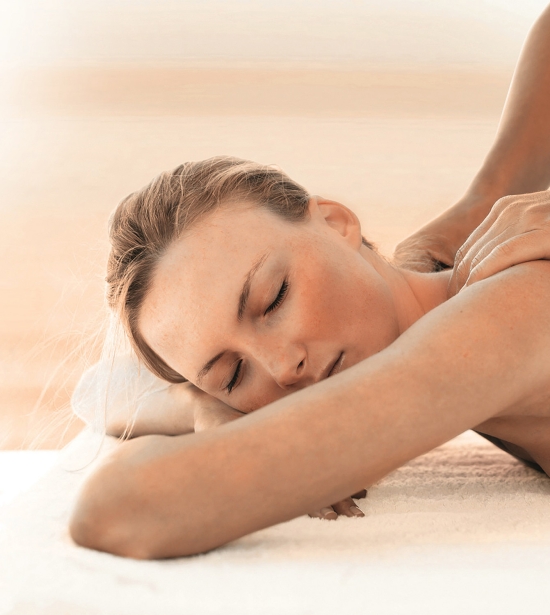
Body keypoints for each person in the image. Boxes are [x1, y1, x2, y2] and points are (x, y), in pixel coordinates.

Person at [69, 6, 550, 559]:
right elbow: (104, 389)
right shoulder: (450, 286)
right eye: (231, 373)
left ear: (338, 222)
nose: (281, 368)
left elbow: (123, 509)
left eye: (273, 299)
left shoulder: (507, 314)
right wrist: (205, 406)